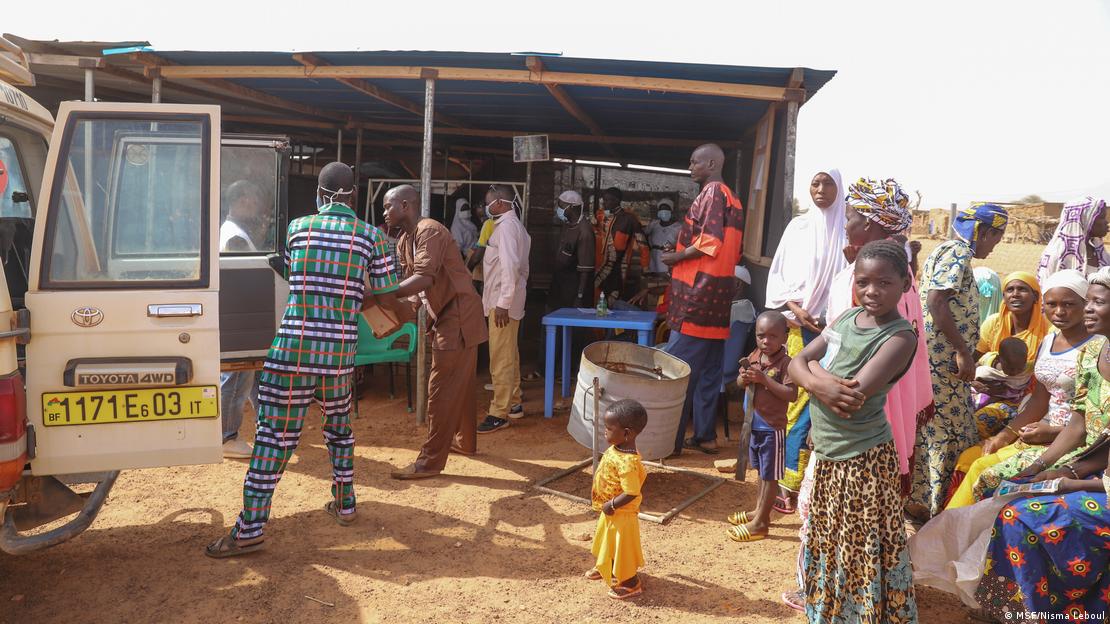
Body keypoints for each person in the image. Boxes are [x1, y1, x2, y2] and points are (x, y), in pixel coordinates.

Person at [206, 163, 399, 557]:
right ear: (354, 196)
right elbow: (384, 291)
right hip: (339, 356)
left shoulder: (299, 228)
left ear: (321, 194)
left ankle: (249, 530)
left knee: (274, 439)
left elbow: (302, 276)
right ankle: (345, 505)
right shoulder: (372, 237)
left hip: (293, 351)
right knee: (340, 431)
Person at [783, 180, 933, 612]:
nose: (871, 292)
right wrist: (816, 380)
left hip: (861, 459)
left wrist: (812, 377)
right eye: (863, 282)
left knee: (860, 543)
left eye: (883, 284)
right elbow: (798, 365)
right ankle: (828, 606)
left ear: (904, 284)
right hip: (831, 452)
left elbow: (852, 395)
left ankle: (861, 612)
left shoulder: (899, 336)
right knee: (827, 533)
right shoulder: (850, 318)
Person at [945, 269, 1092, 510]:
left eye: (1069, 304)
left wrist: (1052, 432)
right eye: (1052, 304)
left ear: (1085, 304)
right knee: (970, 458)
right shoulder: (1050, 342)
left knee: (984, 471)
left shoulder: (1098, 348)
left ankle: (951, 536)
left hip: (1069, 441)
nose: (1060, 312)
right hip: (1035, 432)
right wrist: (1003, 436)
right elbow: (1039, 399)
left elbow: (1096, 418)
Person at [908, 203, 1008, 519]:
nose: (994, 246)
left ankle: (929, 504)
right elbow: (937, 302)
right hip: (942, 364)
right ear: (986, 231)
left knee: (948, 431)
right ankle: (935, 510)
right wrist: (963, 352)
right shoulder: (957, 253)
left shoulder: (946, 250)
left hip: (939, 363)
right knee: (947, 434)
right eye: (996, 237)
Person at [383, 185, 488, 479]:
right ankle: (465, 443)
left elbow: (422, 277)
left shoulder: (429, 231)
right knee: (462, 384)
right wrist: (390, 318)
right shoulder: (405, 240)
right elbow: (415, 292)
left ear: (405, 205)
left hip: (458, 317)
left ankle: (428, 463)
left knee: (440, 389)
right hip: (446, 317)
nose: (384, 213)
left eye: (388, 206)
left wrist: (382, 294)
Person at [765, 168, 848, 511]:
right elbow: (779, 275)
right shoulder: (798, 227)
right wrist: (798, 311)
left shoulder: (848, 229)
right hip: (801, 327)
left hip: (839, 329)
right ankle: (787, 484)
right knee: (798, 402)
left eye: (828, 183)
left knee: (828, 401)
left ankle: (812, 484)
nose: (820, 189)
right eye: (815, 182)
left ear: (839, 188)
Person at [662, 144, 745, 456]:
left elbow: (709, 242)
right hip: (717, 302)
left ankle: (667, 441)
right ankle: (705, 436)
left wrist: (674, 257)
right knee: (709, 374)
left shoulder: (712, 193)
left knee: (675, 372)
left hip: (696, 300)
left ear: (711, 163)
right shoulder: (733, 198)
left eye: (695, 162)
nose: (690, 166)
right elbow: (729, 250)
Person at [973, 435, 1109, 622]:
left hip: (1103, 492)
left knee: (1017, 517)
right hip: (1099, 482)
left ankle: (1025, 614)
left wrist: (1071, 484)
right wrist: (1068, 472)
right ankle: (1005, 608)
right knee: (999, 492)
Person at [727, 311, 796, 543]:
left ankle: (762, 523)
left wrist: (764, 380)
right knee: (761, 473)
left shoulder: (787, 364)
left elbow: (792, 394)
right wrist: (744, 379)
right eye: (761, 336)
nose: (766, 341)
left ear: (785, 337)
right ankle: (759, 511)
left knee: (770, 476)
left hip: (771, 428)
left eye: (773, 336)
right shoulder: (755, 355)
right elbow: (739, 383)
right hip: (753, 425)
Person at [218, 180, 270, 459]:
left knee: (252, 375)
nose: (258, 206)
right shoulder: (234, 236)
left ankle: (266, 428)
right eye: (254, 199)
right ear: (241, 200)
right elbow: (243, 278)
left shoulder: (234, 231)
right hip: (240, 314)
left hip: (241, 314)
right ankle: (227, 436)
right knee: (237, 377)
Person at [477, 185, 531, 434]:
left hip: (503, 304)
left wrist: (502, 303)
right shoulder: (511, 226)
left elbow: (511, 268)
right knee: (510, 353)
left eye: (488, 202)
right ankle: (514, 403)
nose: (485, 206)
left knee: (500, 357)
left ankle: (498, 412)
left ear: (499, 203)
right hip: (506, 301)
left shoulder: (507, 228)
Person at [585, 399, 648, 600]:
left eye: (609, 428)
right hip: (611, 511)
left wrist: (611, 505)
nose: (605, 431)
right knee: (607, 541)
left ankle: (630, 583)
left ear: (627, 433)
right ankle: (608, 567)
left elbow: (632, 491)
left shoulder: (628, 462)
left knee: (623, 549)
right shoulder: (617, 448)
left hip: (621, 514)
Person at [976, 271, 1047, 367]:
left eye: (1022, 289)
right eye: (1010, 290)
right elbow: (975, 358)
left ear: (1035, 296)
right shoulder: (993, 323)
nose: (1015, 294)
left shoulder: (1048, 330)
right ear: (1004, 297)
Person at [1035, 196, 1109, 285]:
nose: (1106, 222)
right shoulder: (1056, 256)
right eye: (1102, 217)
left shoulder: (1101, 254)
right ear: (1085, 220)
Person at [971, 337, 1032, 439]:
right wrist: (974, 383)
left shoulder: (1028, 368)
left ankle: (983, 442)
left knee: (979, 420)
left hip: (1010, 402)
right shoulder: (988, 360)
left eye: (1020, 368)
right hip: (983, 394)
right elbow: (972, 371)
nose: (1015, 372)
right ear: (999, 359)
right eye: (1010, 368)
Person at [595, 187, 648, 299]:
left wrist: (645, 267)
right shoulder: (601, 216)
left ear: (617, 200)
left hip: (617, 269)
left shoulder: (629, 219)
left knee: (612, 301)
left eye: (608, 200)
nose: (604, 203)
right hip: (599, 265)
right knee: (596, 300)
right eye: (603, 200)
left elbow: (643, 245)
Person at [643, 199, 681, 275]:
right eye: (661, 209)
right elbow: (643, 235)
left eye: (666, 209)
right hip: (653, 257)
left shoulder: (678, 227)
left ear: (671, 212)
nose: (663, 212)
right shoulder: (653, 225)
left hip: (668, 257)